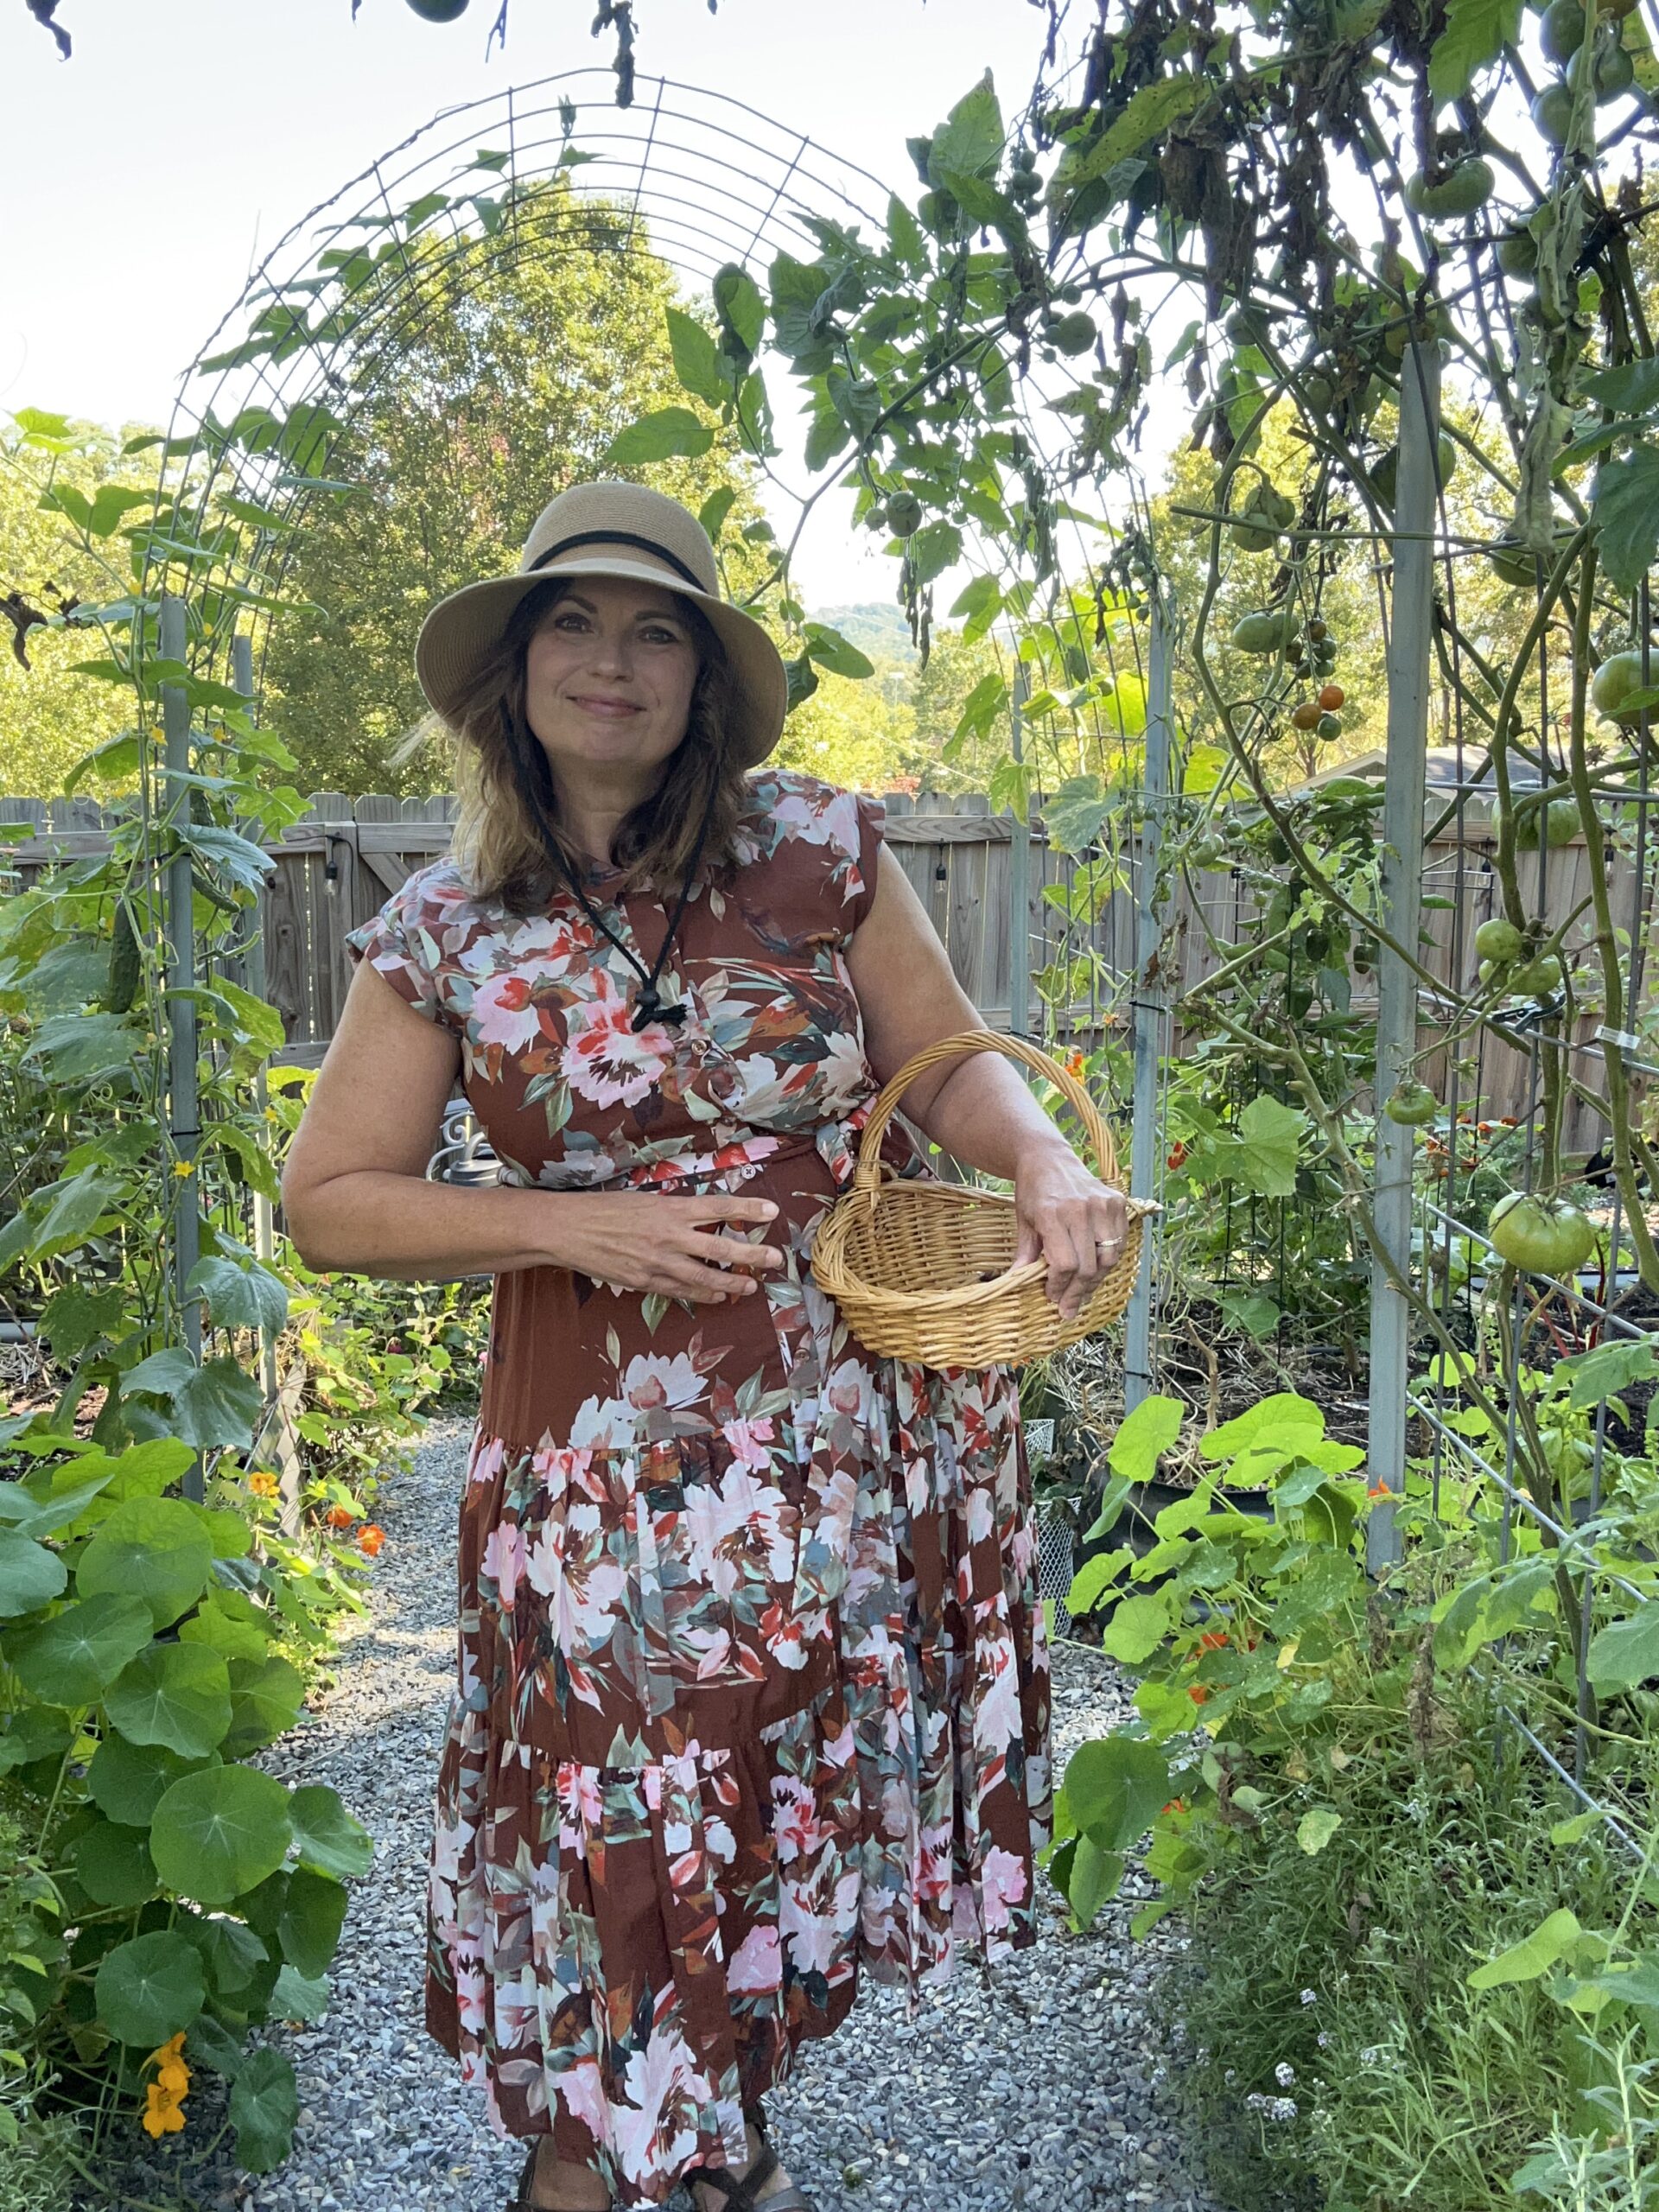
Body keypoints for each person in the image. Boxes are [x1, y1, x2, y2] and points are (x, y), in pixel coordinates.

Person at [282, 480, 1128, 2212]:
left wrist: (1039, 1146)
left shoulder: (821, 851)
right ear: (514, 675)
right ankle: (595, 2167)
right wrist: (572, 1222)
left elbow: (951, 1058)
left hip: (835, 1430)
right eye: (573, 626)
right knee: (619, 1802)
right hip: (590, 1465)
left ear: (705, 677)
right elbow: (331, 1200)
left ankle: (712, 2126)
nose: (613, 662)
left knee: (768, 1787)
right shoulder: (445, 930)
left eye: (656, 627)